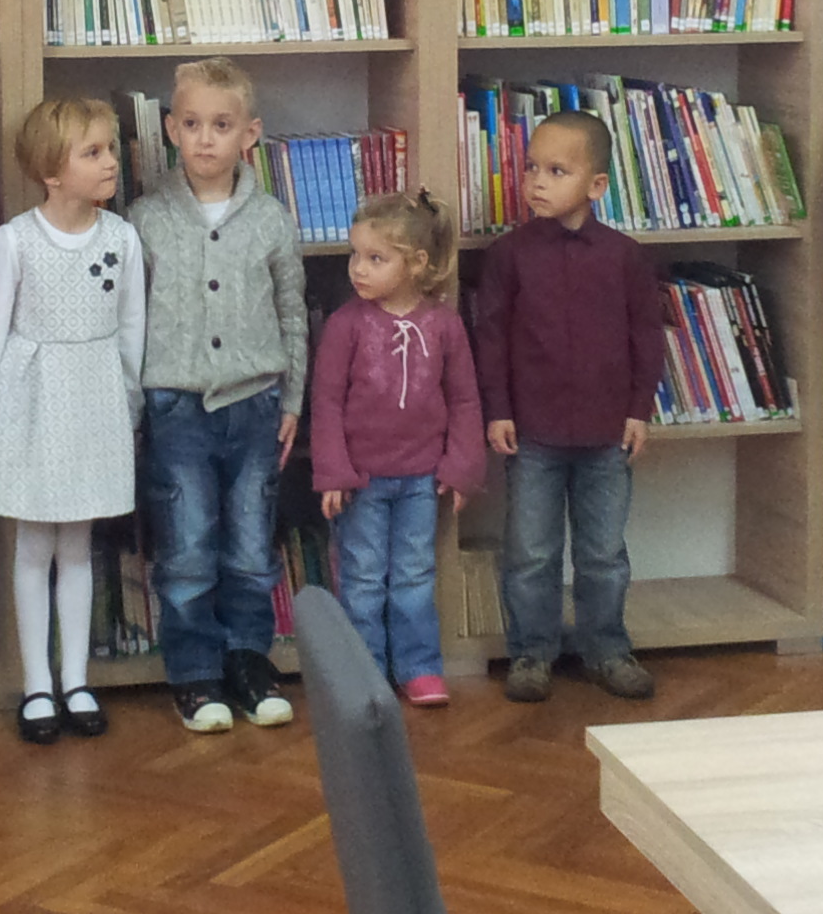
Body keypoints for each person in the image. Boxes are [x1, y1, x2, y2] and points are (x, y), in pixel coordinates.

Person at [128, 58, 307, 735]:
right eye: (193, 124)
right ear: (171, 129)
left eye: (222, 125)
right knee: (188, 546)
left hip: (256, 404)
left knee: (252, 547)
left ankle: (248, 661)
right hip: (174, 407)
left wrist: (293, 399)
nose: (206, 138)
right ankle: (195, 671)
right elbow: (130, 319)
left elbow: (292, 313)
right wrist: (135, 406)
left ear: (249, 134)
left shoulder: (271, 220)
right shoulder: (145, 218)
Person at [0, 97, 146, 743]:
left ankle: (75, 680)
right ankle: (36, 684)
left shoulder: (122, 238)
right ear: (51, 172)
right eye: (92, 152)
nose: (110, 163)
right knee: (33, 544)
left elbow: (131, 327)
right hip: (32, 401)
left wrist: (128, 405)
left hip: (96, 398)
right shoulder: (15, 240)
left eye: (110, 149)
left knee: (78, 545)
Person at [476, 109, 666, 704]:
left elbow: (647, 337)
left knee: (603, 553)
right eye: (532, 167)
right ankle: (532, 651)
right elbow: (491, 337)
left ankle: (605, 648)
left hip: (608, 436)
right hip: (533, 434)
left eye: (557, 171)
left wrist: (639, 410)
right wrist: (498, 409)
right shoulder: (509, 255)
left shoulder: (625, 257)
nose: (538, 181)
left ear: (597, 185)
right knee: (531, 552)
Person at [311, 191, 487, 705]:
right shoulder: (345, 325)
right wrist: (333, 473)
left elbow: (464, 398)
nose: (358, 269)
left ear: (416, 263)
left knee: (413, 576)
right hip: (361, 481)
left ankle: (419, 667)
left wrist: (462, 467)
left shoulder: (445, 324)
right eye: (355, 255)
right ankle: (364, 674)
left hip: (421, 479)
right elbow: (325, 401)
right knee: (363, 579)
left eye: (375, 258)